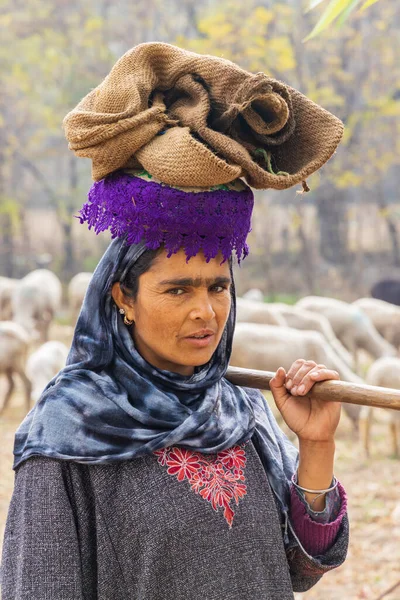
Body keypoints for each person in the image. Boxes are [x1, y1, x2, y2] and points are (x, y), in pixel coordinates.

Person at [1, 43, 348, 600]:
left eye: (218, 287)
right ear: (123, 297)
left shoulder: (240, 410)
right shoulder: (65, 437)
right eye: (177, 288)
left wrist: (316, 446)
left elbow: (301, 569)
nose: (205, 311)